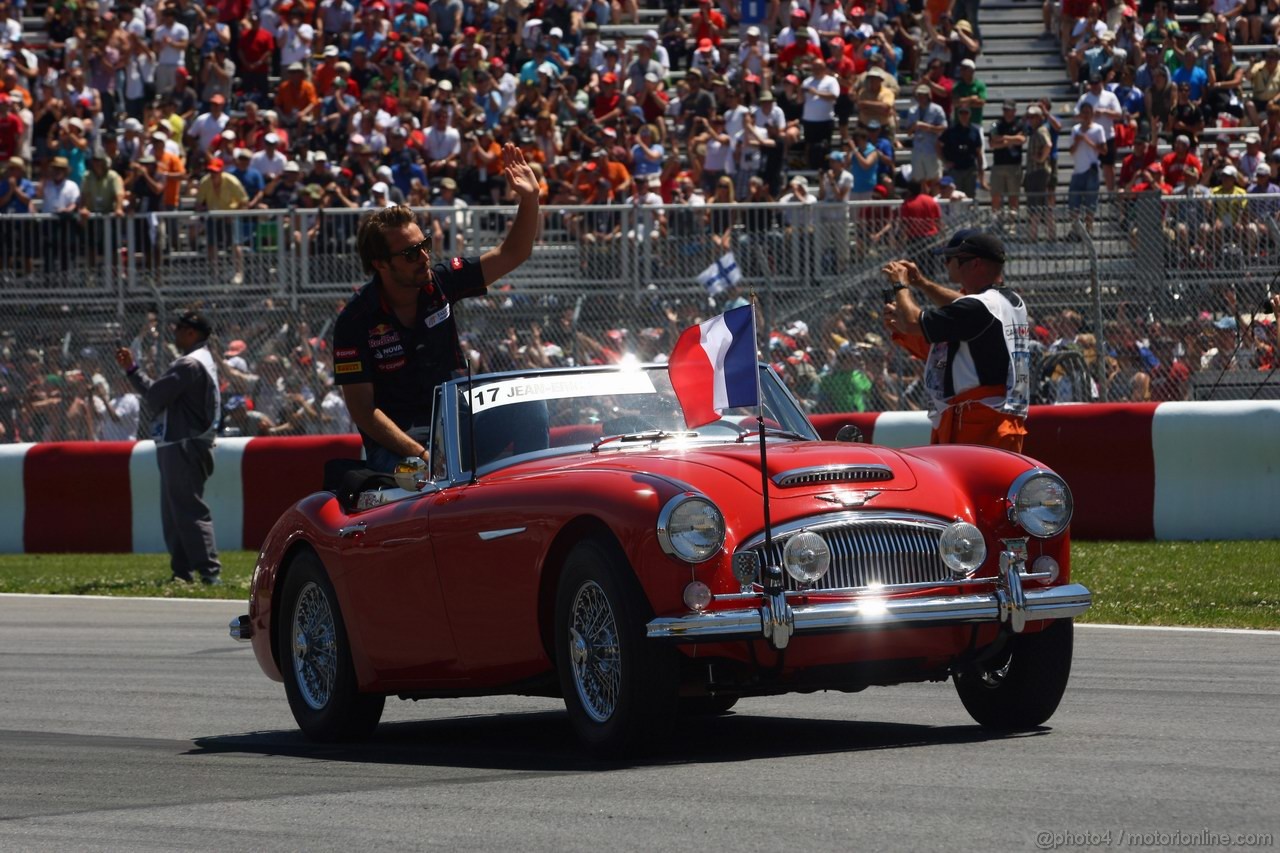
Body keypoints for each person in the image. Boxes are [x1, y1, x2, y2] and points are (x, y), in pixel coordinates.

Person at [333, 143, 541, 473]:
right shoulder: (354, 321)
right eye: (411, 254)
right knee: (415, 478)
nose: (424, 257)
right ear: (381, 264)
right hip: (401, 443)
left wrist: (530, 199)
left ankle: (534, 500)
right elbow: (363, 411)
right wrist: (424, 455)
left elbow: (512, 253)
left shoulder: (441, 281)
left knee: (530, 410)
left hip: (454, 423)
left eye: (424, 246)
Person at [881, 229, 1030, 452]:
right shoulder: (1006, 300)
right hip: (993, 418)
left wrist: (900, 285)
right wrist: (922, 283)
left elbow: (912, 321)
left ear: (976, 264)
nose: (950, 265)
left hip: (978, 421)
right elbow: (962, 304)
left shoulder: (979, 307)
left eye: (955, 260)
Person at [113, 311, 222, 585]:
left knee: (187, 510)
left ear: (192, 333)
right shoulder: (203, 361)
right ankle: (182, 572)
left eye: (180, 328)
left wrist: (133, 370)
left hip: (183, 445)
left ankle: (209, 573)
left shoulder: (189, 364)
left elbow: (154, 396)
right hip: (185, 442)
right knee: (176, 512)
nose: (174, 333)